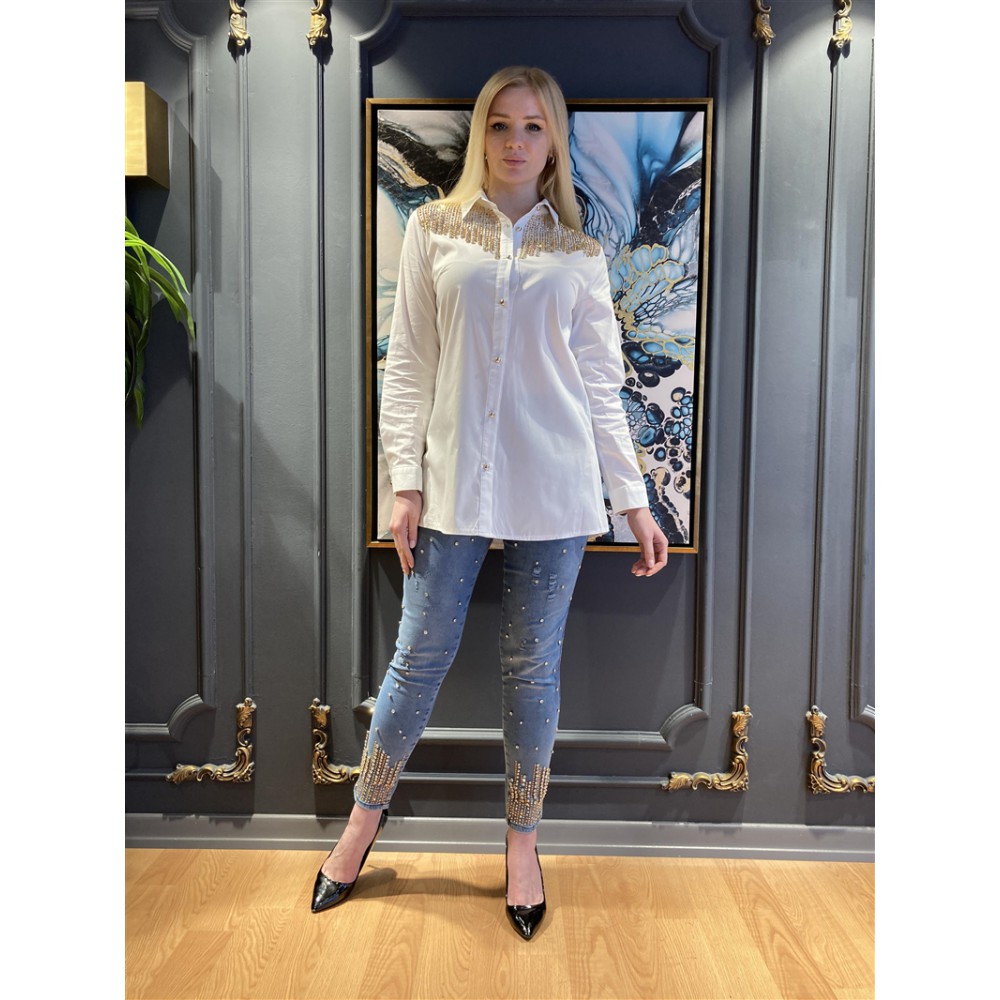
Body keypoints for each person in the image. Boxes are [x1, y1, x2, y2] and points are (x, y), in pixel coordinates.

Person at [312, 65, 669, 940]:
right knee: (416, 662)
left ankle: (522, 846)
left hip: (555, 487)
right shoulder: (434, 230)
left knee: (531, 668)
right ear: (481, 134)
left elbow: (601, 384)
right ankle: (360, 827)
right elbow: (409, 366)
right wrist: (403, 483)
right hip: (452, 486)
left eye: (533, 126)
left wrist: (633, 501)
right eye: (501, 125)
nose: (515, 141)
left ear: (554, 143)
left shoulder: (579, 255)